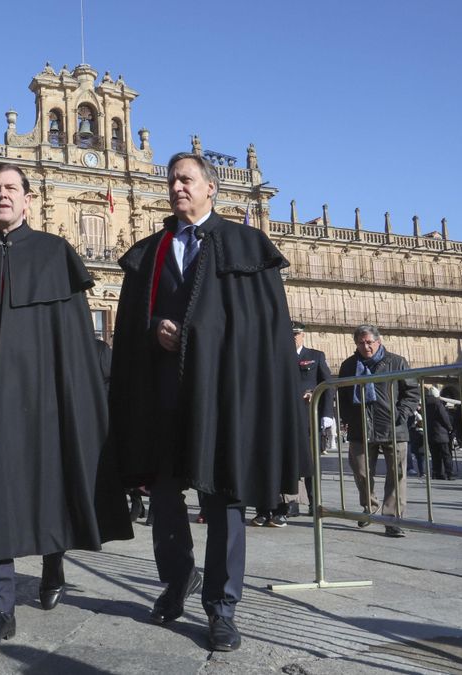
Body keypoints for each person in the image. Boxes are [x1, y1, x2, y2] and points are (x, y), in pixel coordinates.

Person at [0, 162, 131, 652]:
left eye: (11, 188)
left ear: (28, 199)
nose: (2, 195)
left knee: (50, 484)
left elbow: (78, 342)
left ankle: (53, 561)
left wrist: (81, 402)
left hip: (44, 402)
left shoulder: (56, 254)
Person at [109, 152, 303, 652]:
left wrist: (205, 335)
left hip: (223, 399)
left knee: (224, 502)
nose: (177, 187)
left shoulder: (245, 245)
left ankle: (222, 607)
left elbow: (264, 329)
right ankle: (177, 582)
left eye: (187, 179)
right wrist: (155, 330)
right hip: (164, 398)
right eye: (172, 179)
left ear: (210, 188)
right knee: (166, 501)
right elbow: (131, 326)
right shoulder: (149, 253)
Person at [338, 324, 421, 537]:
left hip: (393, 427)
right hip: (360, 428)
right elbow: (343, 396)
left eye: (369, 342)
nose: (366, 347)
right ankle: (370, 508)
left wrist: (401, 414)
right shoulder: (348, 365)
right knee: (361, 471)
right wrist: (347, 418)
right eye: (361, 343)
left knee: (397, 475)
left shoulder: (396, 362)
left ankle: (392, 519)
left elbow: (411, 391)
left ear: (379, 341)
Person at [253, 320, 333, 527]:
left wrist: (326, 413)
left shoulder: (315, 356)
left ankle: (315, 503)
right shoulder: (276, 357)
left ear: (302, 335)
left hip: (307, 418)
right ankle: (287, 506)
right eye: (289, 334)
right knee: (284, 461)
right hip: (281, 419)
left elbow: (327, 386)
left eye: (296, 334)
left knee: (310, 464)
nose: (292, 337)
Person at [424, 387, 455, 480]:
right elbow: (444, 417)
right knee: (446, 454)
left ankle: (437, 473)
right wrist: (450, 428)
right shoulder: (438, 404)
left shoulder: (425, 404)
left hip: (430, 433)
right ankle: (449, 473)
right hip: (441, 434)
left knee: (435, 455)